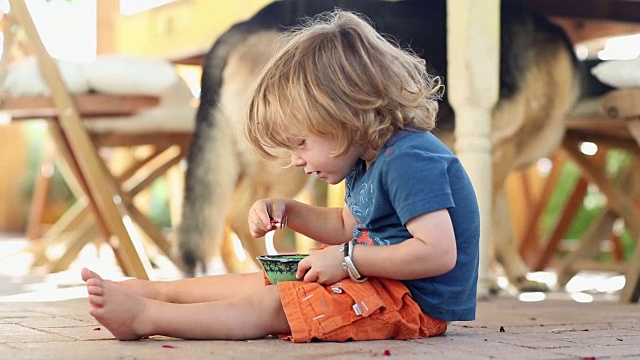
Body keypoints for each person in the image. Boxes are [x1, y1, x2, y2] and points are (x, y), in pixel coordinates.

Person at [81, 9, 480, 343]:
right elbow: (346, 224)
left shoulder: (411, 159)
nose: (296, 161)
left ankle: (147, 319)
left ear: (344, 114)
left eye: (300, 143)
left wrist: (348, 260)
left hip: (412, 305)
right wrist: (289, 210)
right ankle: (156, 293)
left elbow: (437, 252)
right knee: (265, 283)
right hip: (381, 285)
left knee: (277, 304)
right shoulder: (369, 158)